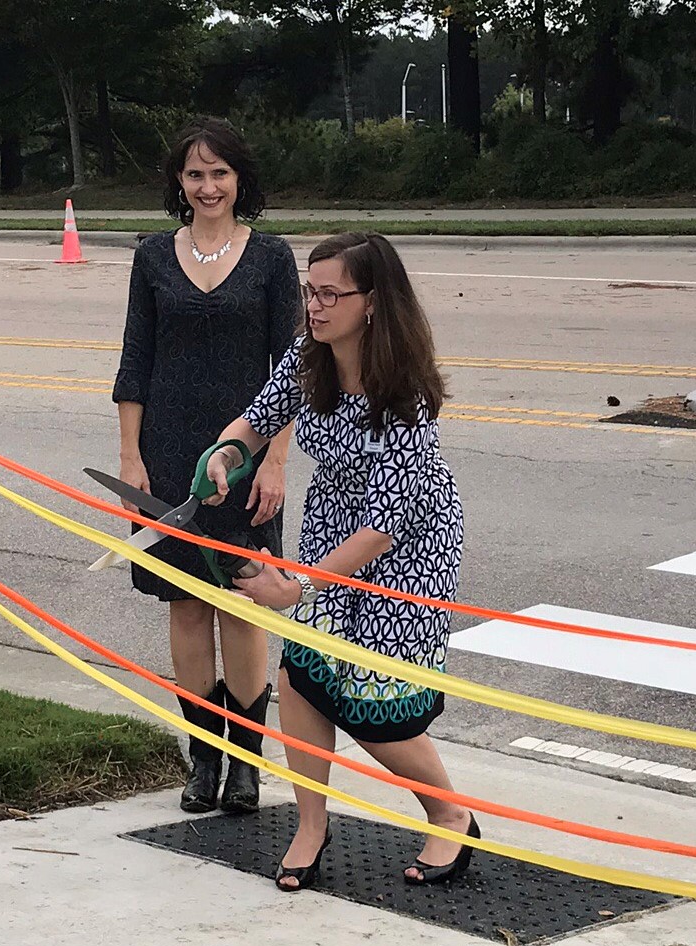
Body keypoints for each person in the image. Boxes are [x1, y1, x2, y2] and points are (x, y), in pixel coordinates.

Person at [201, 232, 474, 891]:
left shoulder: (404, 396)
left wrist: (297, 587)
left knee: (376, 704)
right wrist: (226, 454)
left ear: (373, 303)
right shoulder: (309, 354)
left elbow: (384, 526)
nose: (315, 308)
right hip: (332, 524)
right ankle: (311, 825)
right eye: (310, 291)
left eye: (330, 294)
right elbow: (260, 417)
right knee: (304, 679)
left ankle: (450, 816)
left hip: (405, 545)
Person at [112, 118, 302, 814]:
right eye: (195, 174)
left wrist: (276, 461)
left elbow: (294, 368)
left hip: (247, 458)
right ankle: (204, 758)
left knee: (244, 602)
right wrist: (131, 456)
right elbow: (136, 361)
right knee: (186, 604)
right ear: (179, 185)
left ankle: (247, 763)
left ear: (239, 180)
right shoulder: (153, 258)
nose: (208, 185)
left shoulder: (273, 258)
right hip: (167, 456)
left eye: (220, 172)